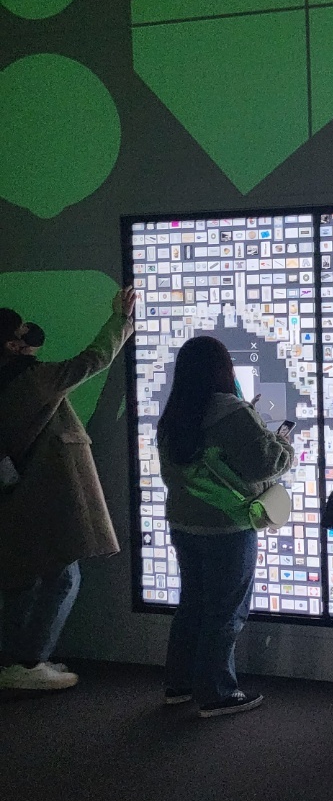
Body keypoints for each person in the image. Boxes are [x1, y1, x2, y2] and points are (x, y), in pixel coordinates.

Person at [0, 288, 134, 691]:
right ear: (13, 345)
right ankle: (28, 663)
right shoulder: (34, 380)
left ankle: (15, 660)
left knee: (24, 578)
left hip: (16, 497)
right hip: (46, 495)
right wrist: (120, 319)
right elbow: (94, 359)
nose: (31, 335)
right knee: (62, 577)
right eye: (23, 332)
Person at [158, 335, 293, 717]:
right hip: (227, 527)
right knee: (225, 611)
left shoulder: (175, 413)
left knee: (193, 605)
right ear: (222, 370)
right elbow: (266, 463)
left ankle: (179, 684)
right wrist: (282, 442)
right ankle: (216, 692)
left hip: (184, 524)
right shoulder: (232, 412)